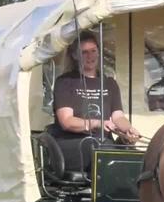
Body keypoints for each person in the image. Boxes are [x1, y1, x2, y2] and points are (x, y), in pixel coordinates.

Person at [49, 30, 140, 174]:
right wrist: (98, 123)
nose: (90, 56)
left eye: (93, 51)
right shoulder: (65, 82)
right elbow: (66, 121)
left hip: (104, 144)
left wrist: (128, 130)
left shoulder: (110, 83)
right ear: (74, 55)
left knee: (135, 156)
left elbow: (118, 117)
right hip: (73, 144)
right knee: (98, 147)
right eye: (84, 52)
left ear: (98, 52)